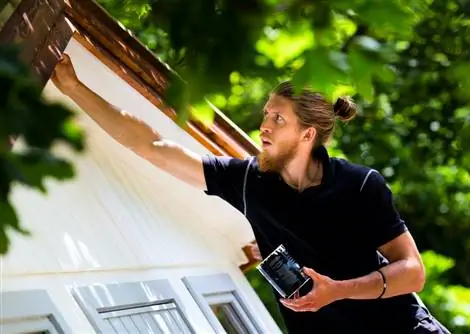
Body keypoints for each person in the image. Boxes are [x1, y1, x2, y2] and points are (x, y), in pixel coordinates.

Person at [51, 54, 449, 333]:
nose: (265, 126)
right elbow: (149, 145)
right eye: (266, 115)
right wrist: (72, 87)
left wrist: (338, 291)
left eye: (279, 119)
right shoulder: (247, 181)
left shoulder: (360, 185)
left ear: (307, 134)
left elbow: (412, 273)